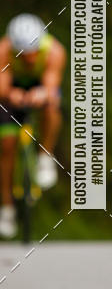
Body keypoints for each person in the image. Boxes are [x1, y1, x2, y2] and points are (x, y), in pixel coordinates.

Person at [0, 14, 66, 238]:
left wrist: (43, 93)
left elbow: (51, 85)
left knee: (52, 107)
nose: (29, 58)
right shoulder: (3, 51)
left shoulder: (55, 51)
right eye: (23, 53)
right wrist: (11, 94)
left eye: (33, 52)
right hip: (11, 92)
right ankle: (6, 207)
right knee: (7, 144)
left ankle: (45, 155)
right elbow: (2, 88)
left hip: (40, 87)